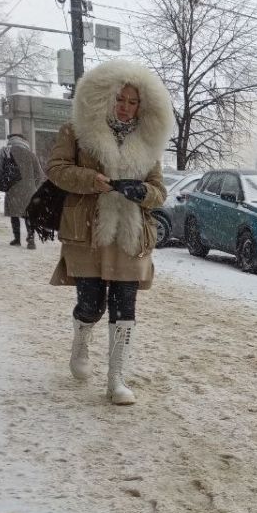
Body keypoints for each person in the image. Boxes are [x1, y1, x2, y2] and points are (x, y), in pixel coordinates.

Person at [46, 59, 171, 406]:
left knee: (125, 305)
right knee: (90, 303)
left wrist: (141, 192)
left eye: (133, 102)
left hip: (130, 233)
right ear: (106, 97)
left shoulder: (147, 139)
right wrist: (90, 180)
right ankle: (81, 340)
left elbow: (159, 190)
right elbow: (56, 169)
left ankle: (116, 379)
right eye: (121, 100)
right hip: (88, 231)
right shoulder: (77, 130)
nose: (126, 108)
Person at [0, 133, 44, 249]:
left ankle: (17, 239)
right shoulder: (31, 154)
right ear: (23, 141)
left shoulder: (5, 152)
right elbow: (40, 175)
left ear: (11, 140)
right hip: (29, 190)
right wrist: (33, 186)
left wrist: (5, 182)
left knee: (14, 214)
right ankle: (31, 240)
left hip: (13, 189)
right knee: (28, 215)